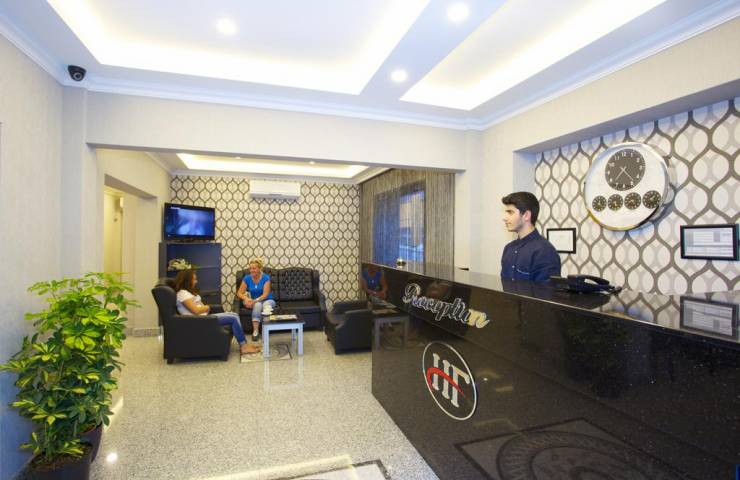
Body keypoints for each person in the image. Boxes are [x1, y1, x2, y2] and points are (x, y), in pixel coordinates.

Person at [174, 269, 260, 354]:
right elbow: (196, 310)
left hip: (203, 318)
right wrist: (207, 307)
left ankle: (244, 344)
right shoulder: (183, 294)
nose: (196, 281)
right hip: (200, 320)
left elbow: (198, 307)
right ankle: (244, 346)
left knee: (234, 315)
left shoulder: (186, 293)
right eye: (194, 279)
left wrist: (204, 308)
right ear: (187, 281)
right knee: (233, 318)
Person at [501, 191, 561, 283]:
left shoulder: (544, 251)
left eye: (510, 212)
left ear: (526, 215)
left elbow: (546, 290)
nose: (504, 218)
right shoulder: (508, 249)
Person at [236, 258, 276, 341]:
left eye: (254, 268)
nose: (251, 270)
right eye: (250, 268)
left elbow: (265, 295)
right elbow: (239, 293)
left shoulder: (266, 278)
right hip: (255, 302)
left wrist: (254, 301)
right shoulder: (247, 278)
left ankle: (265, 330)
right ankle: (255, 331)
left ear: (259, 269)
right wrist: (246, 298)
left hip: (267, 300)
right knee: (258, 305)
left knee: (266, 306)